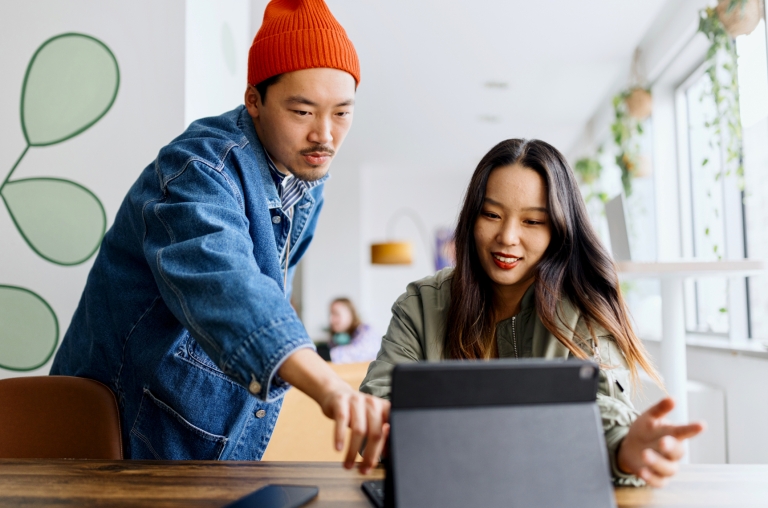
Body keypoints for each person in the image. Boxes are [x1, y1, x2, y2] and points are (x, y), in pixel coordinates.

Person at [50, 0, 388, 473]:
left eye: (342, 113)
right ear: (254, 100)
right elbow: (228, 285)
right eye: (303, 111)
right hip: (124, 441)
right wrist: (330, 386)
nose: (324, 135)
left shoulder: (303, 179)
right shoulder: (197, 169)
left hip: (206, 443)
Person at [360, 139, 704, 487]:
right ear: (471, 218)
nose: (507, 237)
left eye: (533, 221)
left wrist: (624, 451)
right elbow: (375, 411)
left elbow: (598, 409)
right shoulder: (421, 303)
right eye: (492, 214)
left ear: (560, 229)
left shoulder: (584, 309)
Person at [327, 298, 380, 364]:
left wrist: (327, 354)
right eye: (330, 314)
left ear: (350, 314)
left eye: (336, 314)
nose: (331, 319)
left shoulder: (367, 331)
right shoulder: (336, 338)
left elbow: (361, 354)